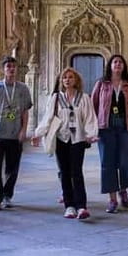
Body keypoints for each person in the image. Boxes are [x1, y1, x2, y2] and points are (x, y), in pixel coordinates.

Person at [32, 68, 98, 219]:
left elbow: (89, 117)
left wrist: (91, 134)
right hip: (61, 138)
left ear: (76, 80)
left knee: (77, 172)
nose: (67, 80)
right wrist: (38, 134)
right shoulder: (56, 98)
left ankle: (81, 206)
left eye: (70, 77)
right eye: (65, 78)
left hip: (77, 139)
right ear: (61, 81)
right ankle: (69, 206)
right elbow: (48, 117)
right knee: (65, 172)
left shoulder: (84, 98)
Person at [91, 55, 128, 213]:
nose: (118, 64)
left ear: (124, 66)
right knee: (108, 163)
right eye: (115, 62)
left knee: (126, 162)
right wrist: (93, 129)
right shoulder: (101, 84)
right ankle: (112, 199)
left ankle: (123, 189)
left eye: (120, 62)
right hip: (106, 129)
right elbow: (93, 106)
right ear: (110, 66)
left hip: (125, 128)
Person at [0, 56, 33, 211]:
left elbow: (25, 112)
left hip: (15, 134)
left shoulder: (23, 89)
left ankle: (7, 195)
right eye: (8, 67)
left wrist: (24, 130)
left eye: (13, 66)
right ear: (3, 69)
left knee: (12, 168)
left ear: (17, 69)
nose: (11, 69)